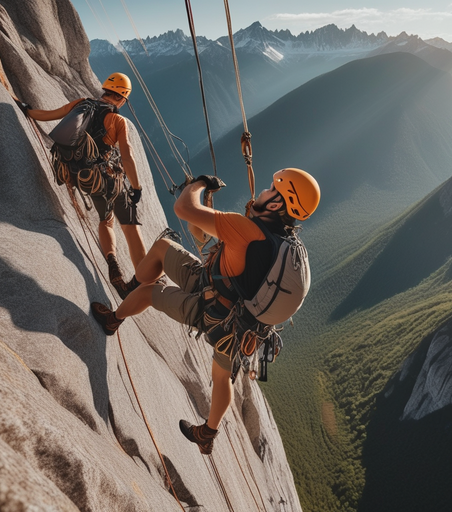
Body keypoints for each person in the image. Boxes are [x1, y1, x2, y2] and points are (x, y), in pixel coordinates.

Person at [90, 168, 321, 454]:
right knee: (223, 376)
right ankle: (207, 434)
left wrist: (200, 183)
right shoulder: (286, 244)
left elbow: (184, 208)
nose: (263, 190)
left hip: (207, 300)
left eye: (271, 188)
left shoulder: (246, 231)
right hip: (237, 325)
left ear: (275, 204)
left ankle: (114, 317)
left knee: (151, 288)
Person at [19, 73, 146, 299]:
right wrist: (136, 188)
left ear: (105, 90)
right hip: (105, 181)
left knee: (104, 220)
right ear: (123, 99)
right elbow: (127, 157)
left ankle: (112, 259)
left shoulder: (82, 104)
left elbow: (49, 116)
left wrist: (27, 110)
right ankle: (145, 280)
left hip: (78, 177)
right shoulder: (118, 122)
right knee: (129, 224)